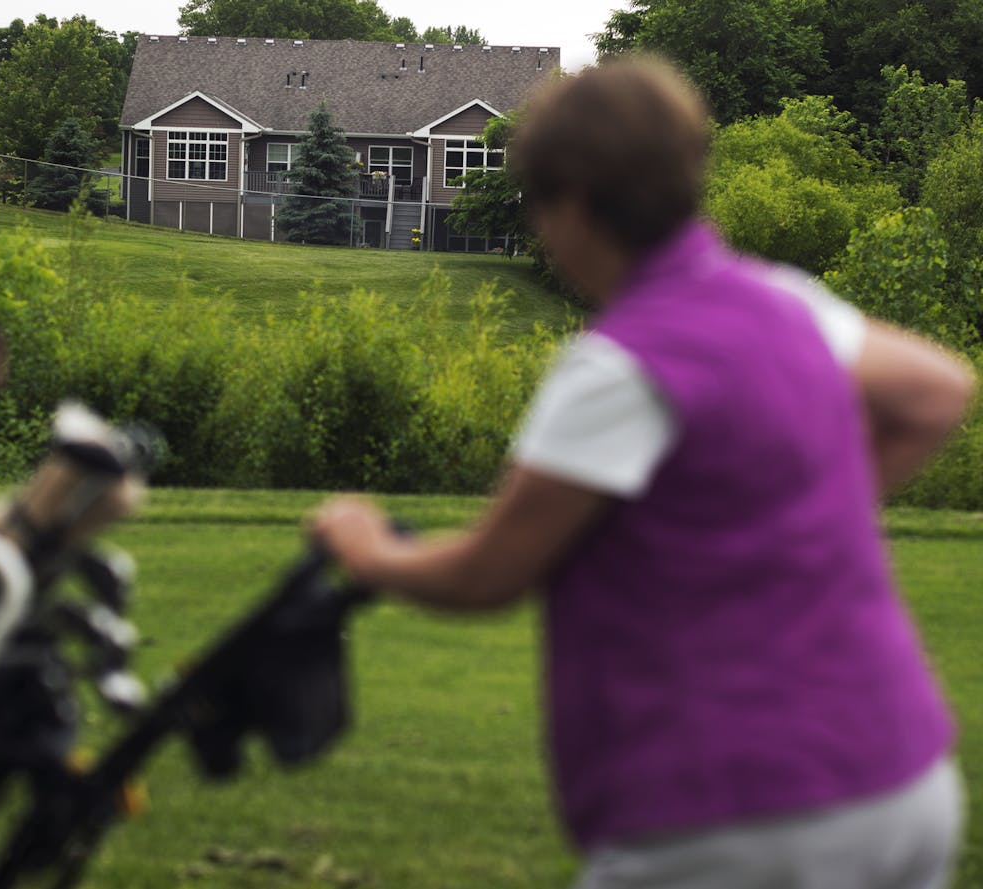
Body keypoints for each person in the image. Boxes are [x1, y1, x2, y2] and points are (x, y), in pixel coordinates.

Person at [313, 58, 974, 889]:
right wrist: (789, 521)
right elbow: (936, 390)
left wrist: (365, 545)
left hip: (723, 815)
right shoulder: (789, 302)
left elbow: (489, 573)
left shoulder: (618, 368)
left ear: (577, 204)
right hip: (902, 786)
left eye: (540, 206)